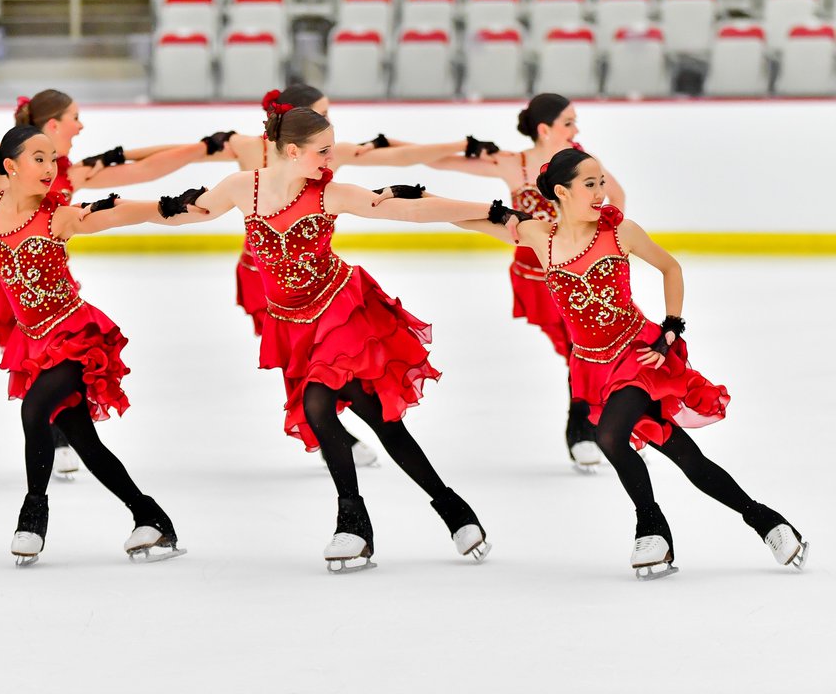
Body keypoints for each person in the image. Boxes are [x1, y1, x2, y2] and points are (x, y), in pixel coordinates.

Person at [111, 106, 520, 572]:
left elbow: (409, 210)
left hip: (340, 313)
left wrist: (486, 210)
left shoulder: (328, 192)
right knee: (374, 420)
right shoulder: (243, 189)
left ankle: (356, 523)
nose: (330, 159)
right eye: (323, 151)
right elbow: (186, 214)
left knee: (326, 406)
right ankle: (449, 510)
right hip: (291, 324)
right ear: (292, 151)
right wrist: (134, 209)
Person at [465, 147, 808, 579]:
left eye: (602, 182)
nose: (601, 192)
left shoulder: (619, 231)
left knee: (610, 435)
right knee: (689, 460)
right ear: (561, 192)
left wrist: (671, 329)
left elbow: (670, 267)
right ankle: (767, 521)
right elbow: (464, 220)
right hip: (592, 367)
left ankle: (651, 526)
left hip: (639, 354)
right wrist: (424, 200)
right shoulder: (540, 236)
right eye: (590, 184)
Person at [0, 127, 186, 565]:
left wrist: (166, 206)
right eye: (38, 158)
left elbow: (115, 213)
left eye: (53, 158)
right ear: (11, 165)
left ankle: (33, 514)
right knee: (85, 441)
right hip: (35, 340)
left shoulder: (57, 215)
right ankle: (150, 517)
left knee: (34, 410)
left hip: (74, 334)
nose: (49, 167)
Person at [205, 84, 500, 467]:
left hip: (315, 274)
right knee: (295, 357)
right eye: (322, 114)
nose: (330, 123)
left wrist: (458, 145)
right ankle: (327, 423)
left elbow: (400, 162)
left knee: (324, 360)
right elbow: (179, 166)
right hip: (263, 278)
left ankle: (330, 423)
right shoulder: (247, 153)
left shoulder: (327, 159)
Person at [0, 90, 233, 477]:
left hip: (47, 274)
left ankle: (59, 430)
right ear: (53, 125)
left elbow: (143, 171)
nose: (81, 124)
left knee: (57, 354)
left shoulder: (71, 170)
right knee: (32, 354)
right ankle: (54, 430)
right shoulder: (5, 161)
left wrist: (198, 148)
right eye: (75, 116)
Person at [368, 93, 626, 472]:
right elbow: (444, 161)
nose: (576, 129)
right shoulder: (513, 164)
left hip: (575, 275)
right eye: (569, 122)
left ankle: (587, 426)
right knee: (579, 351)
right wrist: (395, 146)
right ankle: (585, 428)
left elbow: (617, 201)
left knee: (585, 349)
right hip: (537, 280)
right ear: (545, 129)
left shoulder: (584, 165)